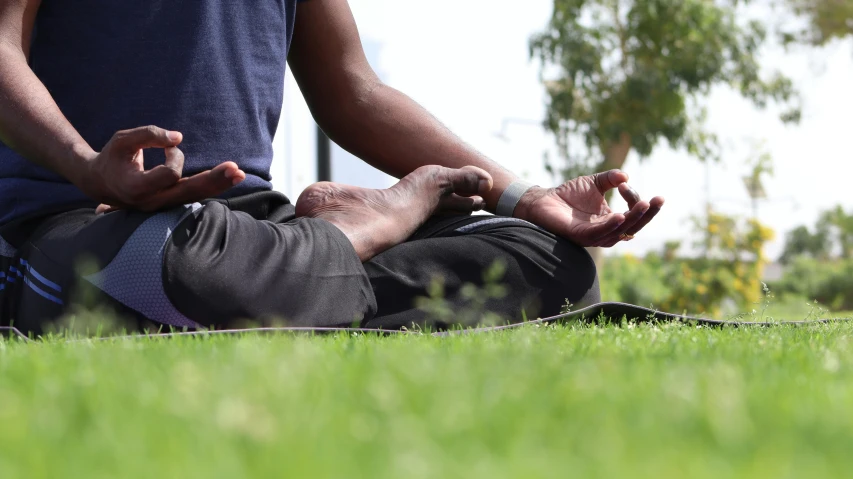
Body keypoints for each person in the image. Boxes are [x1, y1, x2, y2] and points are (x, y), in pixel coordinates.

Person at [0, 0, 663, 335]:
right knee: (181, 271)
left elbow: (354, 91)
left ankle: (315, 263)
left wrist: (523, 199)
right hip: (89, 218)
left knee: (549, 262)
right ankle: (342, 246)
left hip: (251, 231)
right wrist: (88, 165)